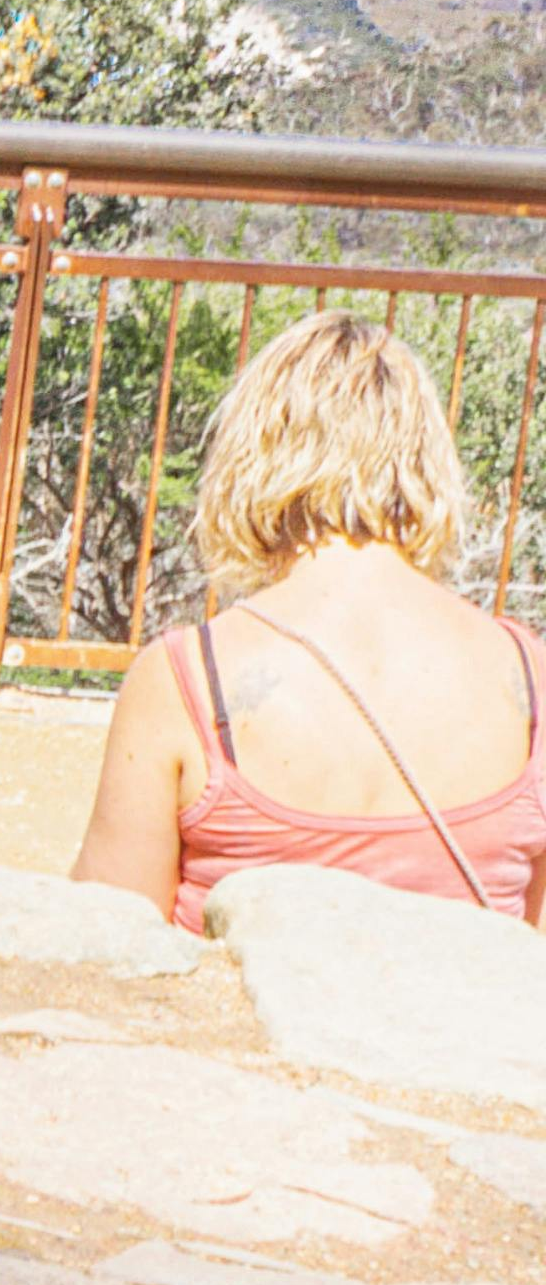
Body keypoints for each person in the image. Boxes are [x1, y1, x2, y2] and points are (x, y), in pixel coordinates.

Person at [76, 310, 546, 931]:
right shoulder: (528, 673)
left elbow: (104, 934)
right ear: (428, 459)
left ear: (251, 454)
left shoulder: (185, 679)